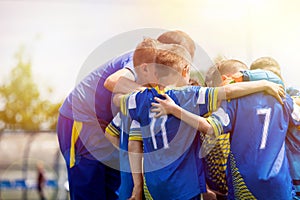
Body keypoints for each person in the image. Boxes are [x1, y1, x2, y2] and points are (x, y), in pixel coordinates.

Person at [117, 39, 285, 199]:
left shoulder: (137, 101)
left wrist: (137, 187)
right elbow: (228, 92)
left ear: (155, 73)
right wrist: (264, 84)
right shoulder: (190, 96)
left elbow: (133, 143)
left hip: (153, 187)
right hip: (184, 187)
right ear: (185, 70)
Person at [56, 29, 196, 200]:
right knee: (89, 188)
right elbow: (113, 81)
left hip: (106, 127)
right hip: (81, 119)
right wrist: (149, 95)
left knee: (112, 191)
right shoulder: (137, 59)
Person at [152, 59, 297, 199]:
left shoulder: (231, 103)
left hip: (244, 183)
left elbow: (209, 127)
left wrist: (174, 110)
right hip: (279, 184)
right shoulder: (283, 99)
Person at [250, 56, 300, 199]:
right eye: (265, 80)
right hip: (276, 180)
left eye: (276, 77)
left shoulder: (290, 94)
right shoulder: (252, 105)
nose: (273, 83)